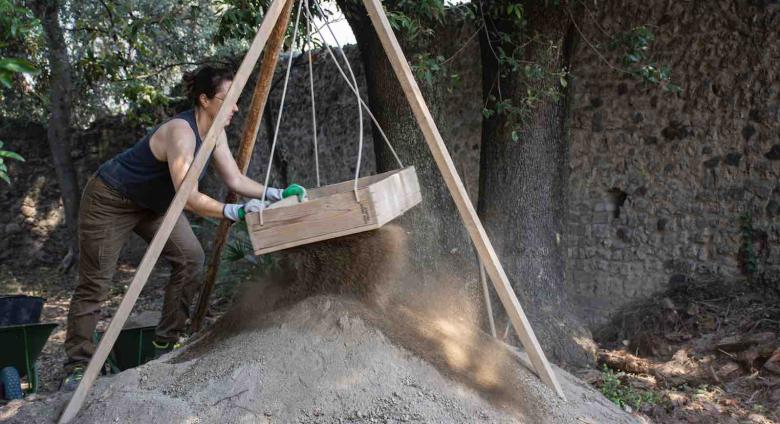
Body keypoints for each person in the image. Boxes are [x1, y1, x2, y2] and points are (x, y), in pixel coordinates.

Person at [61, 66, 306, 390]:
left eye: (236, 99)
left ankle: (164, 344)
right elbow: (188, 196)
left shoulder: (214, 133)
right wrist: (233, 210)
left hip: (156, 205)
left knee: (191, 259)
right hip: (111, 199)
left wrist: (274, 192)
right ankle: (78, 365)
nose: (235, 107)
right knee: (96, 283)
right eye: (227, 99)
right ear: (204, 99)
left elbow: (234, 179)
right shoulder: (181, 132)